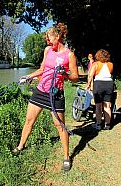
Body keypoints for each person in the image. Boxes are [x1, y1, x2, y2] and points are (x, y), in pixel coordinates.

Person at [12, 23, 79, 172]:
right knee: (29, 121)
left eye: (50, 39)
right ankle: (20, 146)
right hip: (40, 91)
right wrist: (28, 76)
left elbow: (75, 77)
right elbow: (42, 69)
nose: (48, 42)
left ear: (58, 36)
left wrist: (65, 74)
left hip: (56, 95)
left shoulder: (69, 55)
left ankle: (67, 157)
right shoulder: (48, 50)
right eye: (47, 40)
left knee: (60, 126)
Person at [86, 49, 114, 130]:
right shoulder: (111, 64)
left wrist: (88, 84)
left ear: (97, 56)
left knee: (98, 106)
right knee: (107, 105)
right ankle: (107, 125)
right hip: (109, 84)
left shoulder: (95, 64)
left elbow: (91, 75)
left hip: (99, 84)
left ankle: (98, 124)